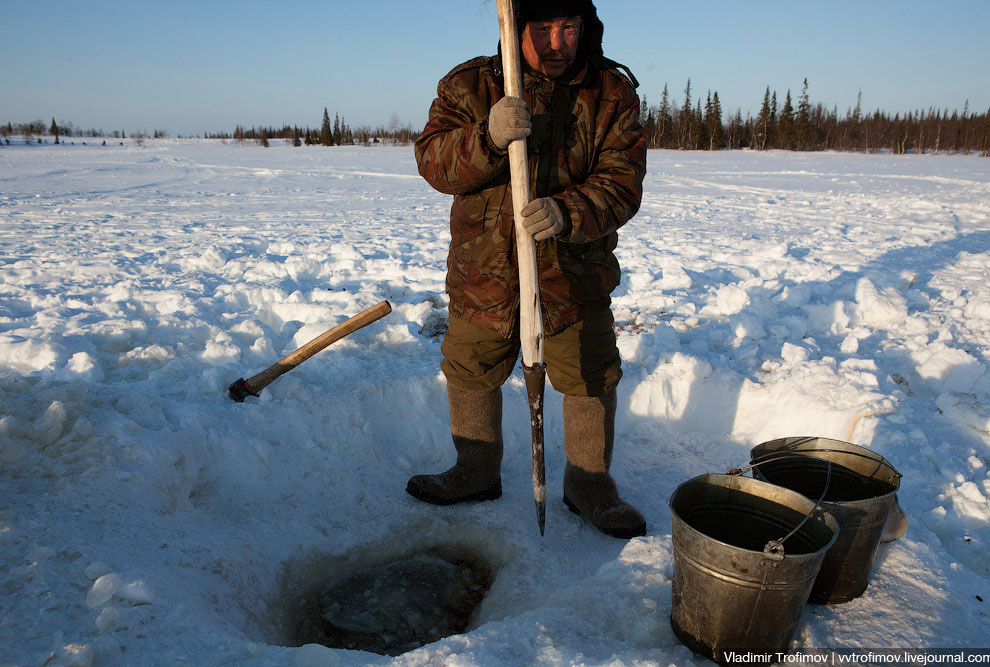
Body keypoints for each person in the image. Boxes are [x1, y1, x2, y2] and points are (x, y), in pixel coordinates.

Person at [408, 0, 647, 539]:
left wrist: (569, 212)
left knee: (589, 375)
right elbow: (434, 163)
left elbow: (623, 184)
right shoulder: (469, 86)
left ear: (586, 27)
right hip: (484, 272)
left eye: (568, 27)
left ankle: (589, 484)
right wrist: (487, 138)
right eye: (541, 28)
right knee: (471, 368)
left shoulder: (610, 93)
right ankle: (475, 471)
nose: (556, 42)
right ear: (516, 29)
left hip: (572, 276)